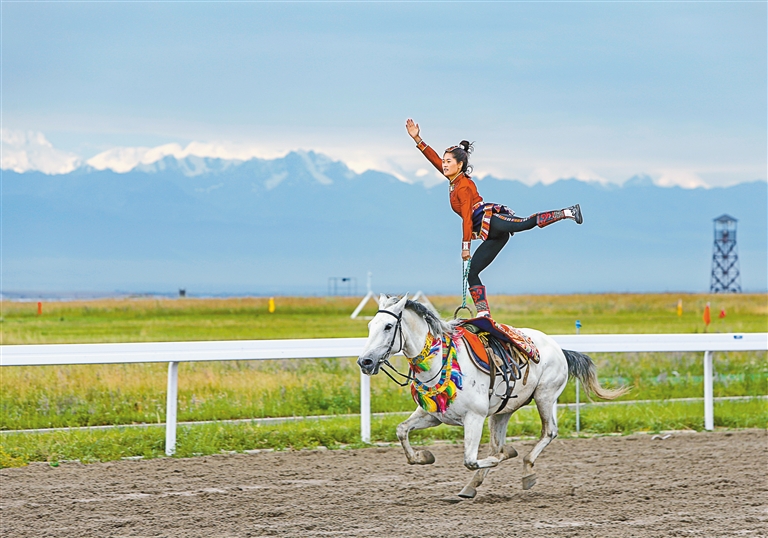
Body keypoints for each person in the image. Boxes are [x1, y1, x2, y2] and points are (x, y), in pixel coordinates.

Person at [406, 118, 582, 317]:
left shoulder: (463, 187)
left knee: (524, 223)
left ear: (460, 164)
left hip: (491, 222)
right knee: (472, 273)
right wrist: (418, 139)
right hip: (489, 234)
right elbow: (433, 159)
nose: (444, 165)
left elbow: (466, 218)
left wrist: (465, 248)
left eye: (448, 162)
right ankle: (484, 315)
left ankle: (568, 212)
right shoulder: (453, 178)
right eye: (444, 161)